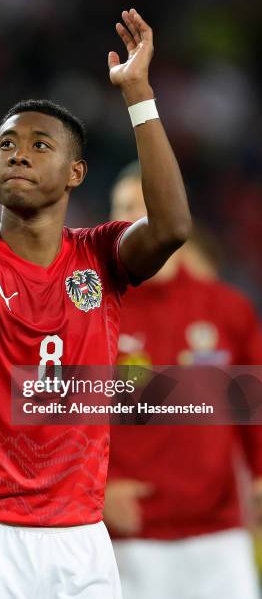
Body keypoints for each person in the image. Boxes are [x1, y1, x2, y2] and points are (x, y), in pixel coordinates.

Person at [0, 9, 191, 599]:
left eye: (40, 145)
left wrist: (139, 95)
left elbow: (170, 228)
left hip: (80, 530)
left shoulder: (99, 257)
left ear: (75, 173)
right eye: (6, 144)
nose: (18, 154)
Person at [104, 165, 262, 599]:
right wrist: (96, 491)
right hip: (128, 537)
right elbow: (54, 414)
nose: (134, 219)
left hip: (219, 536)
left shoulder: (227, 309)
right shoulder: (93, 312)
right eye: (123, 209)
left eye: (145, 205)